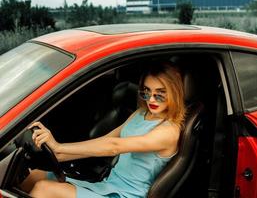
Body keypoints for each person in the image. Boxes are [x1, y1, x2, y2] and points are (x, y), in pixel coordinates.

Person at [21, 62, 186, 198]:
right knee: (35, 176)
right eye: (146, 92)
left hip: (126, 194)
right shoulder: (141, 113)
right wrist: (58, 154)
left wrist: (59, 146)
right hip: (107, 185)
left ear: (174, 93)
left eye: (160, 94)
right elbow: (105, 140)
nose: (151, 99)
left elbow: (114, 146)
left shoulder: (169, 131)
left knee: (44, 188)